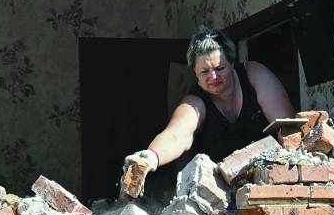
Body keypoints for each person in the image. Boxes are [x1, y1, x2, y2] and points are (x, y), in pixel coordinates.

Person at [122, 26, 295, 195]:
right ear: (195, 73)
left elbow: (287, 125)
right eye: (205, 71)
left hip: (270, 182)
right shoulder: (195, 102)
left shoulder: (254, 75)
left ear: (232, 63)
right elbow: (177, 135)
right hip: (221, 195)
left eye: (220, 68)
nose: (213, 77)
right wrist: (151, 157)